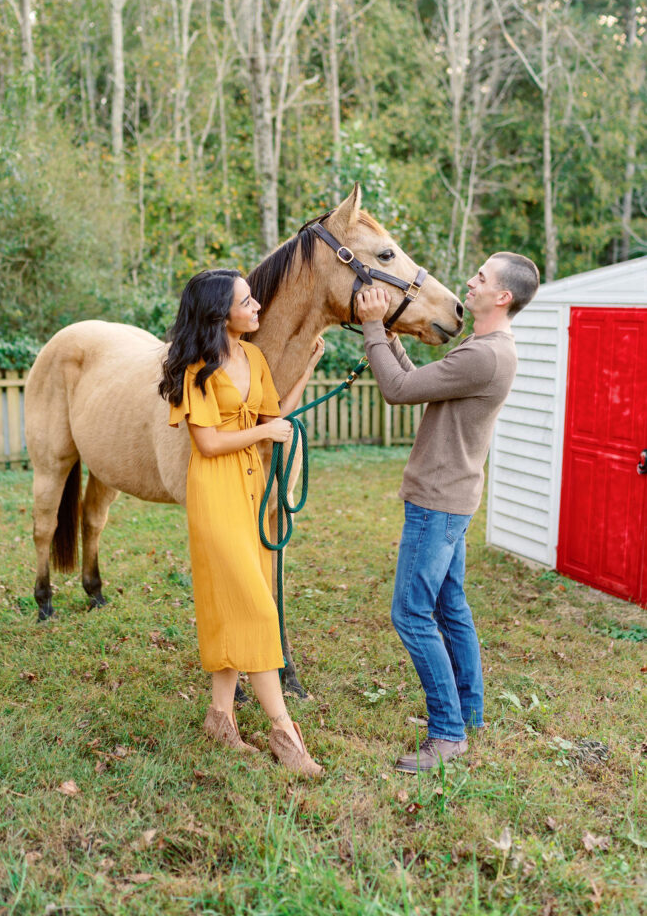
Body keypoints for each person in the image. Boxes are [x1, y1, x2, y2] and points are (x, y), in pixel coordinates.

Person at [356, 252, 540, 773]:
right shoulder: (485, 350)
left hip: (437, 502)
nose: (470, 281)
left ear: (502, 297)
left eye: (481, 278)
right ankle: (471, 712)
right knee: (449, 608)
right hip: (453, 497)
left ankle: (447, 734)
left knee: (411, 614)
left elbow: (396, 390)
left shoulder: (483, 355)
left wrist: (371, 324)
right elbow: (418, 383)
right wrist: (388, 334)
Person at [159, 269, 325, 777]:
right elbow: (207, 443)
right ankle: (283, 731)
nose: (256, 307)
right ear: (219, 314)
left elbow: (272, 418)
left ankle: (220, 717)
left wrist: (308, 371)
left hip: (251, 489)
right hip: (214, 492)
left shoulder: (252, 357)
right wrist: (265, 432)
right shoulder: (194, 370)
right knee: (256, 606)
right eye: (247, 301)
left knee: (235, 603)